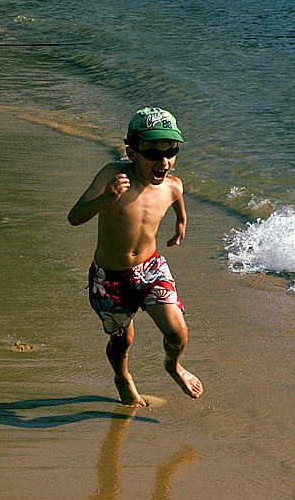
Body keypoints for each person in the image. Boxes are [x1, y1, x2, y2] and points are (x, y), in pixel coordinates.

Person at [68, 107, 203, 407]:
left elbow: (177, 197)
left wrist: (181, 223)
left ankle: (173, 365)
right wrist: (106, 199)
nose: (164, 161)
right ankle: (122, 376)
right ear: (131, 153)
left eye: (171, 151)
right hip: (110, 278)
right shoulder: (112, 176)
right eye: (153, 153)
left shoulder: (172, 185)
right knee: (122, 340)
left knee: (177, 331)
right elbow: (74, 217)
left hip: (151, 268)